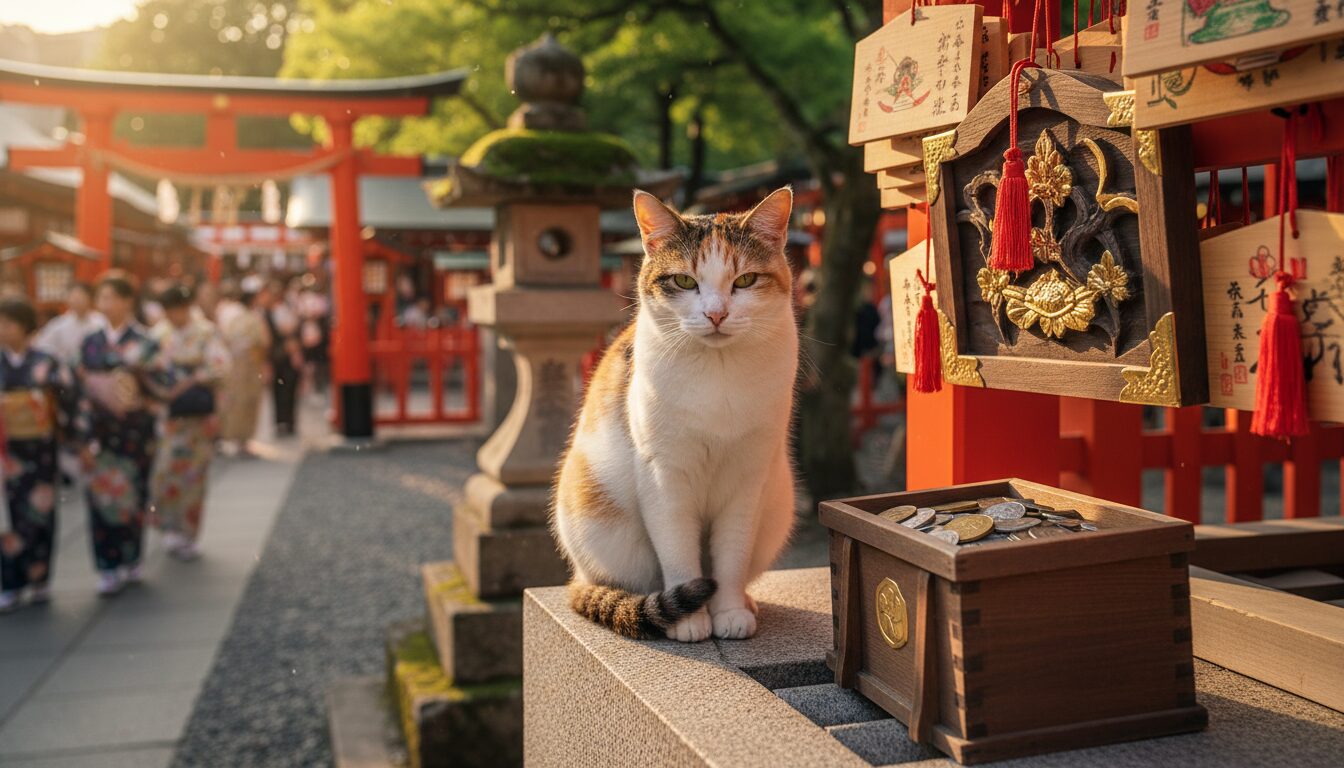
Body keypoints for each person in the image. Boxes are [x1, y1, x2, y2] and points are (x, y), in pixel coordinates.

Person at [76, 271, 161, 596]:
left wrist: (142, 391)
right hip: (98, 431)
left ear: (129, 301)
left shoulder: (145, 341)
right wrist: (80, 436)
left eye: (111, 297)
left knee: (133, 494)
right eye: (102, 297)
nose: (105, 304)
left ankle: (131, 558)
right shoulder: (90, 342)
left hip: (134, 432)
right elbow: (77, 389)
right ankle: (107, 565)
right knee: (99, 497)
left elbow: (162, 384)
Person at [0, 297, 77, 612]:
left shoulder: (47, 360)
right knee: (6, 516)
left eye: (8, 323)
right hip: (5, 451)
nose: (3, 329)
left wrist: (45, 401)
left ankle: (39, 578)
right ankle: (11, 582)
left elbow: (68, 397)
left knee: (40, 512)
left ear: (25, 326)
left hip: (39, 450)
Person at [148, 284, 230, 561]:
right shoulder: (159, 333)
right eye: (168, 311)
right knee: (165, 471)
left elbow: (220, 365)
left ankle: (188, 533)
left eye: (177, 310)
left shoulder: (205, 331)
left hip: (197, 416)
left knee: (194, 475)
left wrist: (192, 379)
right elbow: (144, 364)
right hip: (168, 413)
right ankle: (169, 527)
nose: (173, 316)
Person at [218, 285, 270, 454]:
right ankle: (239, 438)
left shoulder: (233, 315)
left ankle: (239, 438)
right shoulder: (247, 317)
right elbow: (263, 341)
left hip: (240, 362)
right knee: (242, 400)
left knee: (242, 400)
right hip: (245, 362)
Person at [261, 280, 302, 436]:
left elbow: (293, 330)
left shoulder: (286, 309)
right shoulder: (266, 313)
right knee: (277, 391)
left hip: (288, 356)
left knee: (290, 389)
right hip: (276, 357)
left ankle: (289, 421)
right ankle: (280, 422)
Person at [33, 282, 103, 367]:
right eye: (73, 297)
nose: (76, 301)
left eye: (80, 297)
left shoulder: (100, 321)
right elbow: (41, 345)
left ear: (89, 298)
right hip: (66, 368)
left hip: (94, 367)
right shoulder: (59, 323)